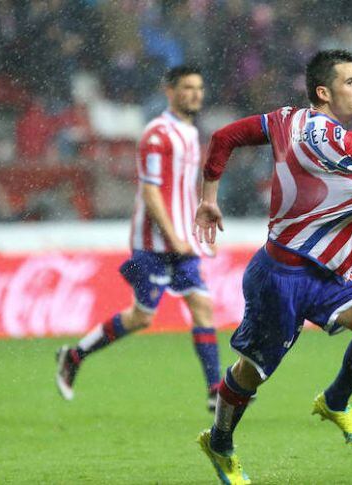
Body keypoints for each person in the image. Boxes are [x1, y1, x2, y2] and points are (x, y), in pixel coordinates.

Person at [193, 49, 352, 484]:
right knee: (252, 373)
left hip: (325, 269)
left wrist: (209, 197)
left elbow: (223, 138)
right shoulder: (337, 141)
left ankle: (335, 401)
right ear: (324, 91)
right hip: (281, 276)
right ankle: (220, 441)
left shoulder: (284, 120)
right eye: (351, 82)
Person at [55, 66, 224, 412]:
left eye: (199, 88)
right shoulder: (156, 134)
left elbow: (182, 189)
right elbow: (150, 192)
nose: (196, 94)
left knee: (202, 306)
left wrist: (200, 221)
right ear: (170, 91)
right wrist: (172, 235)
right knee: (142, 317)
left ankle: (214, 391)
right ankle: (74, 355)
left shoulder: (191, 133)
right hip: (152, 243)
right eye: (188, 88)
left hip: (182, 242)